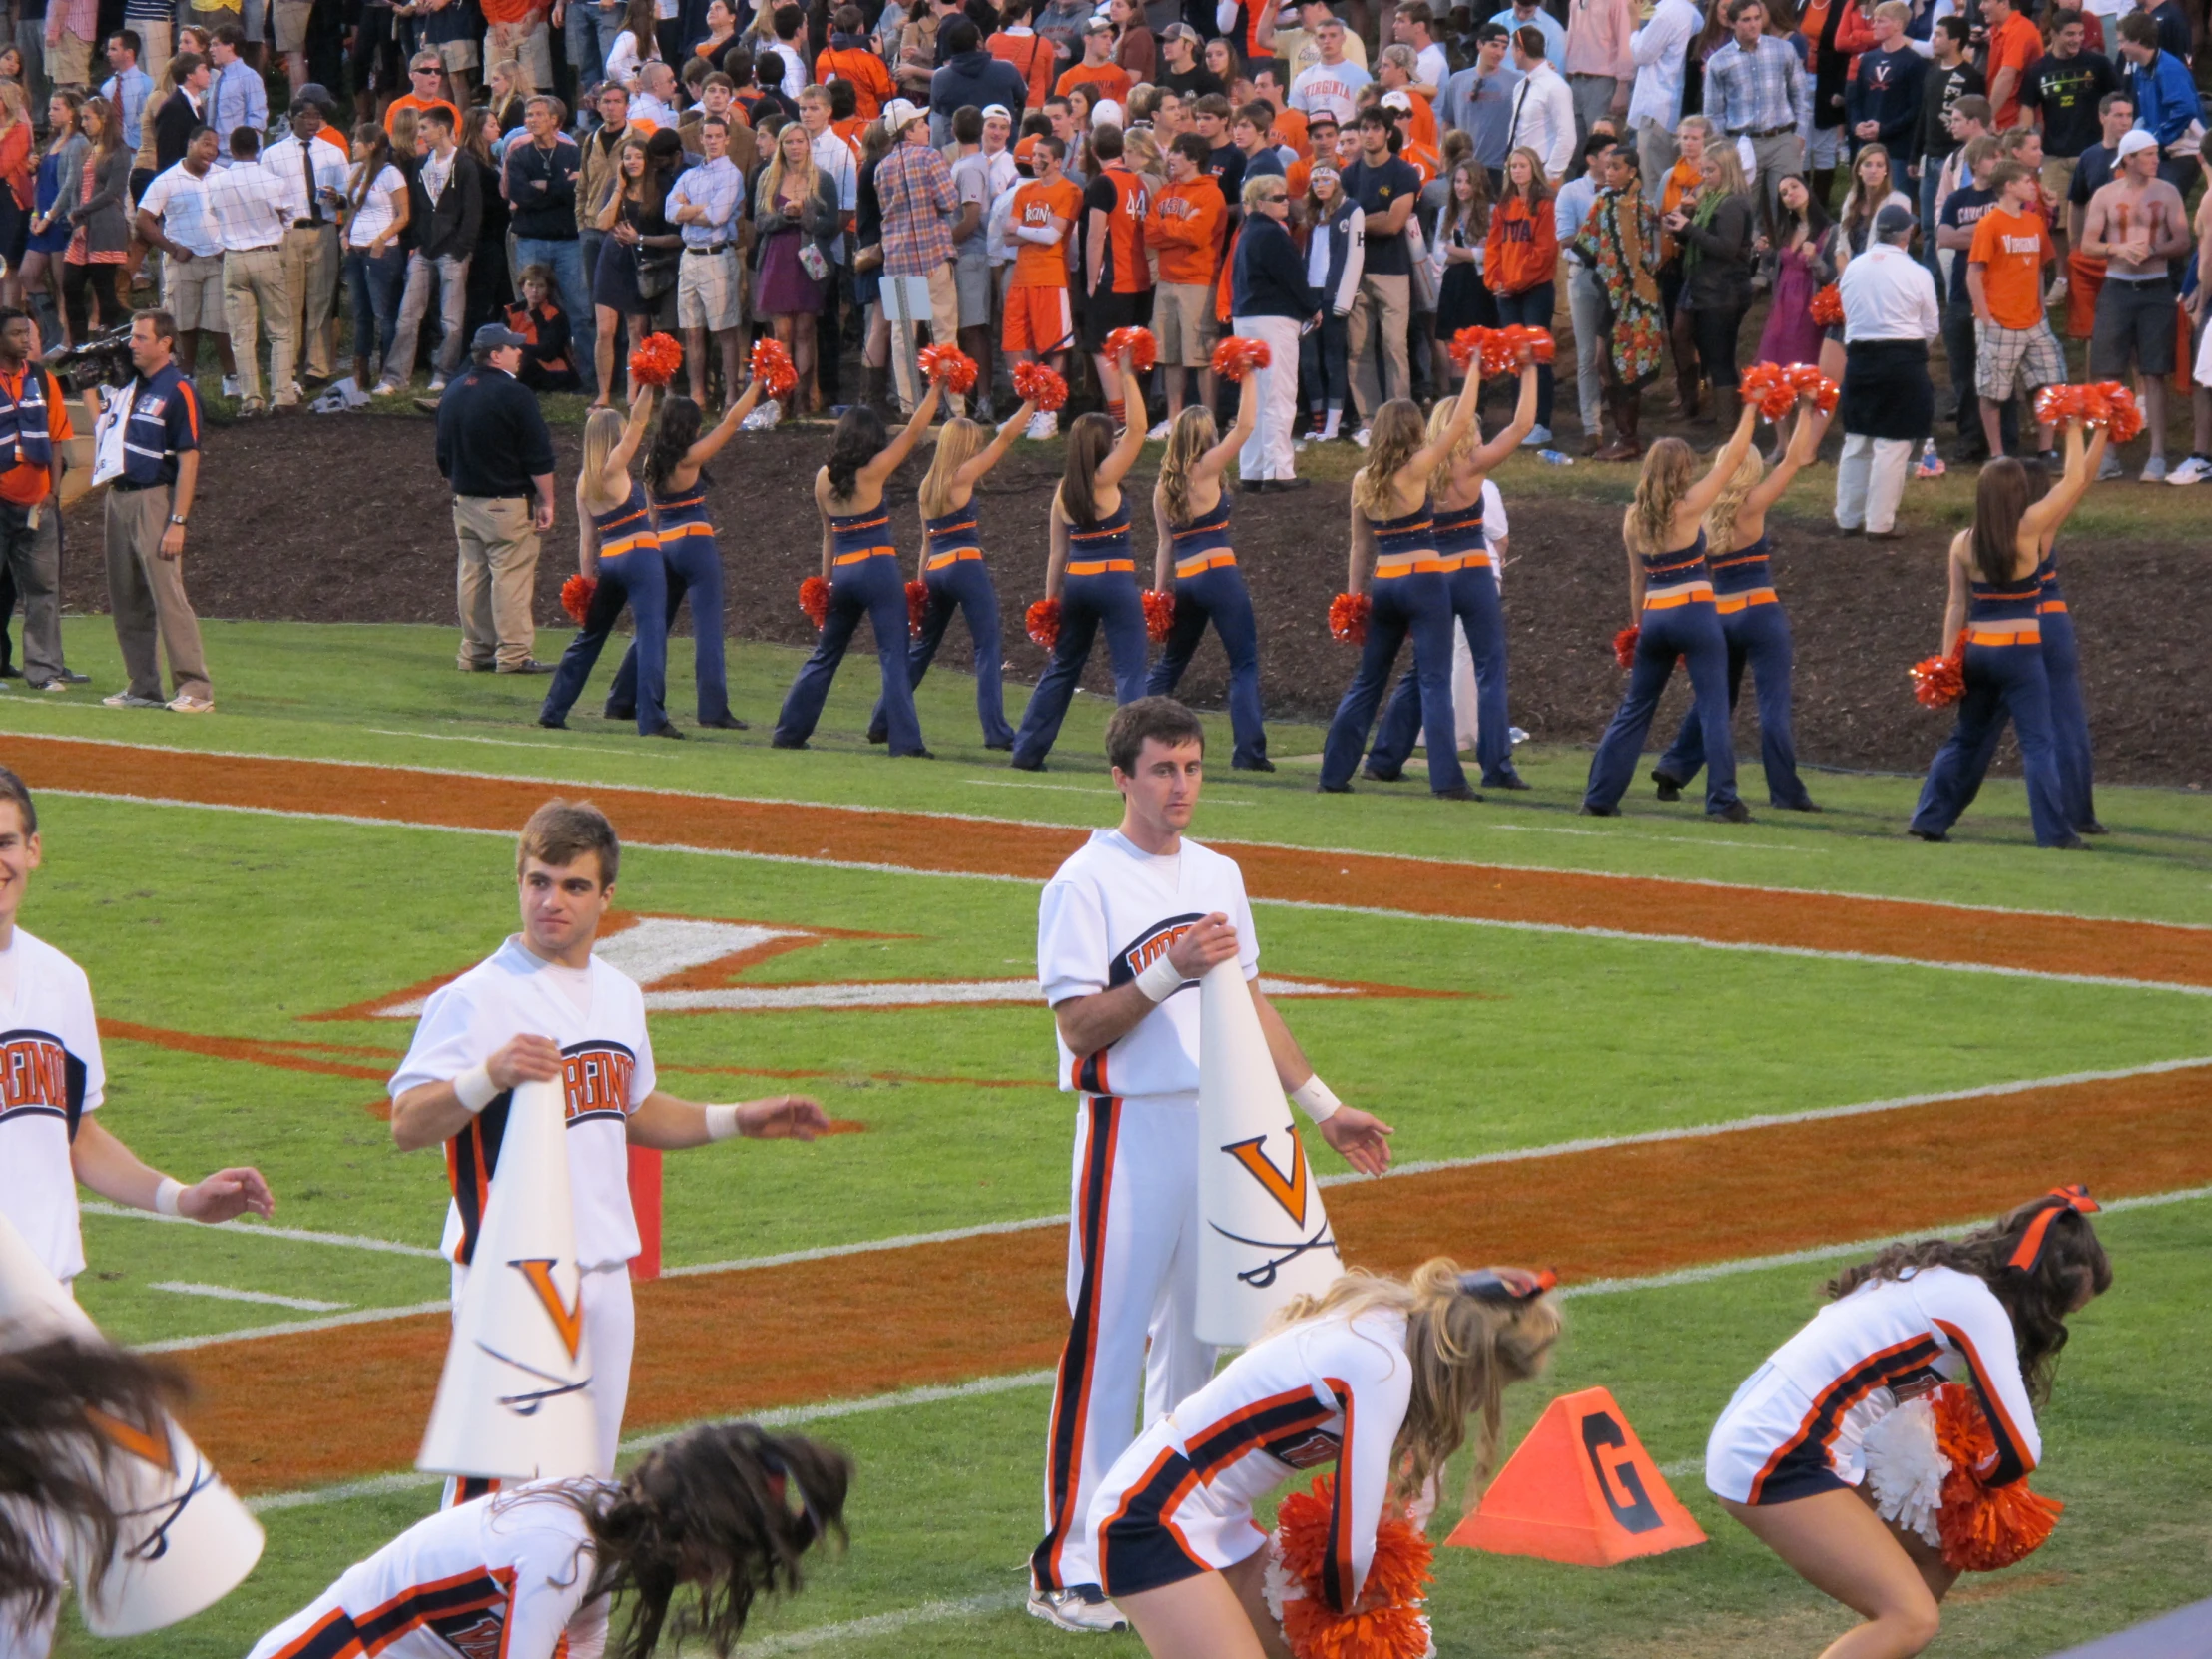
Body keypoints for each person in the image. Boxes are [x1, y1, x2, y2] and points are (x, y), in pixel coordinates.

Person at [1028, 694, 1394, 1634]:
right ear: (1121, 776)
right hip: (1128, 1128)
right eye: (1161, 769)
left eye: (1191, 767)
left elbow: (1251, 1002)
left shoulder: (1221, 872)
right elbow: (1079, 1029)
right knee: (1104, 1341)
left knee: (1197, 1347)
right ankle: (1069, 1564)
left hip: (1219, 1125)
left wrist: (1325, 1107)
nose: (1180, 785)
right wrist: (1167, 970)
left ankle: (1161, 1531)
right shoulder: (1083, 882)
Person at [388, 801, 830, 1505]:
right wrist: (486, 1076)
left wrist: (737, 1119)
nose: (551, 901)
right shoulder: (476, 998)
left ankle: (569, 1621)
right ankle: (458, 1617)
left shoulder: (620, 995)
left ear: (606, 898)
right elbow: (408, 1122)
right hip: (515, 1276)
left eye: (572, 886)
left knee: (586, 1495)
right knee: (493, 1499)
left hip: (604, 1271)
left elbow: (631, 1110)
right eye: (538, 882)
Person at [0, 764, 274, 1653]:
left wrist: (181, 1198)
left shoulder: (59, 982)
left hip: (47, 1315)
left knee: (34, 1569)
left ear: (34, 851)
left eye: (6, 842)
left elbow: (73, 1136)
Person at [1707, 1189, 2108, 1652]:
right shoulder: (1977, 1307)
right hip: (1777, 1451)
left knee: (1938, 1552)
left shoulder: (1937, 1275)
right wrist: (1974, 1482)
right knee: (1910, 1618)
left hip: (1778, 1432)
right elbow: (2019, 1452)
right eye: (2062, 1310)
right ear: (2042, 1291)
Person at [1098, 1260, 1557, 1656]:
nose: (1476, 1405)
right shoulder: (1381, 1365)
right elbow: (1349, 1550)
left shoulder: (1395, 1329)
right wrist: (1360, 1612)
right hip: (1150, 1515)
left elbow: (1416, 1492)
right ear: (1469, 1368)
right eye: (1491, 1386)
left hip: (1213, 1516)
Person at [249, 1423, 846, 1659]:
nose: (716, 1576)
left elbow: (579, 1641)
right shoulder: (563, 1550)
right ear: (684, 1521)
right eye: (720, 1553)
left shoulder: (604, 1537)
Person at [1910, 420, 2104, 847]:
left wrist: (1945, 663)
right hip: (2019, 653)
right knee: (2038, 743)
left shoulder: (1963, 541)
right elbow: (2074, 479)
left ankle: (1929, 817)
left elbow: (1956, 604)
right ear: (2018, 494)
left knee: (1965, 738)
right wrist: (2073, 426)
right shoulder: (2030, 529)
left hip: (1978, 650)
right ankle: (2054, 833)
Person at [1361, 364, 1540, 792]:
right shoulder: (1472, 465)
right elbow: (1523, 424)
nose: (1477, 437)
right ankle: (1497, 766)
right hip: (1472, 571)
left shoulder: (1420, 469)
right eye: (1474, 430)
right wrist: (1531, 367)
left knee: (1425, 670)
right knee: (1489, 668)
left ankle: (1384, 757)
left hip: (1431, 576)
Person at [1581, 400, 1762, 820]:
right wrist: (1750, 408)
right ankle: (1722, 800)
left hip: (1656, 617)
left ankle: (1599, 796)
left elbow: (1636, 581)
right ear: (1682, 472)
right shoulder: (1689, 506)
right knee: (1714, 706)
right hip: (1695, 612)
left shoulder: (1632, 519)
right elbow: (1733, 458)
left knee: (1635, 708)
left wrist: (1638, 630)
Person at [1316, 381, 1491, 799]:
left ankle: (1333, 773)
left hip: (1385, 583)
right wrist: (1473, 367)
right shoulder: (1417, 467)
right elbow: (1461, 421)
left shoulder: (1362, 479)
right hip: (1424, 581)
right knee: (1433, 680)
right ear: (1414, 431)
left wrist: (1353, 597)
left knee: (1367, 681)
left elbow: (1360, 545)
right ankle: (1448, 781)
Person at [1650, 401, 1827, 814]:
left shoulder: (1702, 510)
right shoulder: (1752, 505)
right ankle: (1785, 791)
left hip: (1718, 614)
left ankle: (1674, 766)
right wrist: (1805, 409)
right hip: (1760, 612)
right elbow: (1795, 460)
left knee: (1714, 700)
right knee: (1772, 706)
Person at [773, 383, 946, 758]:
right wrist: (938, 387)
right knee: (894, 656)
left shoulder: (822, 478)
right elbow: (915, 431)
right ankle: (905, 743)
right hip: (877, 569)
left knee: (826, 653)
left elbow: (827, 537)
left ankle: (788, 731)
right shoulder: (873, 472)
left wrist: (824, 584)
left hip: (844, 573)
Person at [862, 396, 1038, 750]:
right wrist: (1031, 404)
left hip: (936, 570)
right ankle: (995, 731)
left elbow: (927, 543)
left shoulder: (928, 486)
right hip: (965, 566)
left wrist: (920, 585)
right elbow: (1004, 440)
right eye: (973, 446)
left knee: (922, 648)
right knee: (987, 646)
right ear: (964, 448)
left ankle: (882, 719)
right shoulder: (963, 476)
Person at [1008, 355, 1154, 767]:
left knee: (1063, 666)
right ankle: (1135, 759)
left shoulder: (1063, 490)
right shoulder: (1104, 479)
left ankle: (1027, 749)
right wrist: (1127, 373)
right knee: (1129, 671)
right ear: (1102, 446)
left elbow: (1057, 553)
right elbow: (1141, 429)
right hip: (1113, 582)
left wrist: (1050, 601)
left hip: (1077, 585)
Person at [86, 312, 213, 712]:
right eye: (133, 338)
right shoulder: (130, 387)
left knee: (167, 596)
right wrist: (89, 386)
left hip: (153, 497)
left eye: (141, 338)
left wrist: (178, 520)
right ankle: (143, 685)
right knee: (126, 597)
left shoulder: (178, 389)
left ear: (165, 343)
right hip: (118, 495)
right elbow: (103, 429)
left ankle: (195, 688)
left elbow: (189, 459)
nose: (132, 345)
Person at [540, 391, 685, 738]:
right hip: (640, 556)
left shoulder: (583, 482)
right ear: (611, 437)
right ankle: (652, 720)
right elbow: (638, 423)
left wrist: (586, 582)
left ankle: (553, 708)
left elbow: (586, 539)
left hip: (610, 560)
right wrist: (648, 383)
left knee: (589, 637)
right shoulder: (614, 467)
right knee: (651, 637)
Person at [1143, 377, 1270, 768]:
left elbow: (1165, 545)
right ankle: (1248, 752)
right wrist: (1248, 374)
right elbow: (1246, 427)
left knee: (1171, 663)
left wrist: (1159, 595)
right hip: (1218, 575)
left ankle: (1130, 728)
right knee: (1243, 663)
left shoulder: (1163, 486)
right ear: (1206, 436)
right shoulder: (1207, 467)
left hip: (1186, 580)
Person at [437, 322, 558, 674]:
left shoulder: (455, 390)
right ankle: (514, 655)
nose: (520, 352)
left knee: (472, 575)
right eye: (512, 347)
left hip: (465, 501)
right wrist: (547, 501)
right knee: (511, 578)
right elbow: (539, 457)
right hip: (506, 504)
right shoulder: (516, 395)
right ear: (495, 355)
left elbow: (442, 455)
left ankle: (475, 652)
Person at [2078, 128, 2188, 481]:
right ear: (2128, 158)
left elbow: (2183, 238)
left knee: (2155, 371)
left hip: (2155, 286)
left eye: (2156, 153)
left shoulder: (2168, 192)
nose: (2156, 159)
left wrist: (2154, 249)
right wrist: (2118, 249)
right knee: (2107, 371)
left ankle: (2157, 454)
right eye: (2148, 154)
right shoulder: (2105, 195)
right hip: (2118, 286)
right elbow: (2088, 243)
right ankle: (2105, 453)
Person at [1832, 201, 1938, 537]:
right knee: (1893, 444)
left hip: (1861, 356)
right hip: (1902, 357)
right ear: (1906, 235)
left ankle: (1847, 517)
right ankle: (1879, 523)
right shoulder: (1917, 273)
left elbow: (1847, 312)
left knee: (1858, 439)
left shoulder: (1854, 268)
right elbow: (1930, 326)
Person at [380, 104, 482, 395]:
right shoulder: (420, 164)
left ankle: (444, 374)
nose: (420, 132)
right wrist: (415, 243)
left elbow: (473, 210)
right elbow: (417, 208)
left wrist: (462, 247)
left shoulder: (464, 164)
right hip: (424, 250)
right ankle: (395, 377)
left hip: (453, 251)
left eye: (425, 127)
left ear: (442, 129)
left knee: (451, 320)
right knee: (407, 316)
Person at [1572, 141, 1663, 461]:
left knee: (1623, 364)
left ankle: (1628, 438)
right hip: (1610, 295)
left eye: (1615, 167)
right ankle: (1624, 435)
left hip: (1637, 297)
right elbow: (1588, 247)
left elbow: (1653, 254)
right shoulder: (1604, 202)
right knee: (1603, 361)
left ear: (1632, 171)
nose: (1608, 172)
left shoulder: (1645, 207)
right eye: (1607, 166)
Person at [1966, 158, 2059, 467]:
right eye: (2026, 181)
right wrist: (1986, 317)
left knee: (2050, 382)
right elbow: (1974, 272)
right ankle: (1998, 454)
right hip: (1999, 318)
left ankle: (2046, 451)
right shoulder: (1989, 223)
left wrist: (2042, 309)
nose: (2033, 185)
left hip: (2033, 319)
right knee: (1993, 390)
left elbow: (2041, 269)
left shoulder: (2034, 223)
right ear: (2009, 185)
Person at [504, 96, 595, 397]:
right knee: (527, 310)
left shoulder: (573, 152)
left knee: (579, 311)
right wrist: (560, 186)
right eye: (528, 115)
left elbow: (577, 192)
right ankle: (525, 374)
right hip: (530, 239)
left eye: (538, 114)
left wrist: (543, 187)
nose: (531, 119)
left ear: (555, 120)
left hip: (568, 241)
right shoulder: (518, 154)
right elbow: (520, 195)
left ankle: (585, 377)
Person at [875, 98, 960, 415]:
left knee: (903, 335)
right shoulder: (930, 157)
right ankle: (953, 406)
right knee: (943, 332)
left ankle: (910, 406)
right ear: (908, 132)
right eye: (921, 123)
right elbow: (950, 201)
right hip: (933, 258)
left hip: (898, 260)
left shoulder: (882, 165)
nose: (927, 127)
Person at [1226, 175, 1311, 489]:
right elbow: (1293, 277)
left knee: (1252, 397)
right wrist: (1311, 307)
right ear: (1259, 203)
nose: (1285, 202)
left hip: (1246, 320)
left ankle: (1252, 470)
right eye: (1277, 198)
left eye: (1285, 196)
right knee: (1278, 395)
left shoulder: (1246, 232)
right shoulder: (1272, 233)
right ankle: (1276, 471)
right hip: (1272, 322)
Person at [0, 310, 70, 691]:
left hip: (37, 504)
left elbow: (58, 435)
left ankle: (43, 671)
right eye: (15, 334)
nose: (25, 340)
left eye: (26, 333)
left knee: (43, 590)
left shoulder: (42, 379)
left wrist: (54, 491)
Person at [1341, 107, 1419, 441]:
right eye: (1364, 128)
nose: (1368, 134)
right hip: (1355, 270)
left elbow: (1393, 222)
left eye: (1375, 128)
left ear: (1388, 133)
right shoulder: (1349, 174)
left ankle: (1400, 419)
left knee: (1394, 345)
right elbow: (1335, 217)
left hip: (1392, 269)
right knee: (1357, 347)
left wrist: (1355, 220)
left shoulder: (1403, 172)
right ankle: (1368, 420)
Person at [1665, 139, 1756, 429]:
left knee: (1720, 356)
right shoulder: (1711, 197)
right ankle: (1715, 413)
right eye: (1702, 170)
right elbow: (1701, 240)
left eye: (1710, 170)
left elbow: (1727, 249)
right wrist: (1683, 226)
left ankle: (1729, 427)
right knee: (1706, 350)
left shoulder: (1732, 203)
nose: (1704, 176)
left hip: (1723, 290)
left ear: (1727, 169)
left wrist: (1689, 228)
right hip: (1706, 287)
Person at [206, 127, 296, 414]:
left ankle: (251, 399)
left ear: (230, 149)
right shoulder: (273, 181)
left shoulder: (217, 182)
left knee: (241, 333)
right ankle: (282, 395)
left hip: (233, 257)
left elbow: (208, 219)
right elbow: (290, 216)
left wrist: (222, 245)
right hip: (266, 255)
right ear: (257, 148)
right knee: (280, 328)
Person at [264, 93, 347, 389]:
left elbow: (346, 193)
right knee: (290, 301)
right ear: (292, 117)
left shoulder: (333, 152)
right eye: (306, 116)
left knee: (321, 301)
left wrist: (337, 197)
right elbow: (267, 197)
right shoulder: (274, 154)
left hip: (323, 229)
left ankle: (318, 367)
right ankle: (288, 365)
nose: (312, 122)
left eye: (317, 117)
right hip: (290, 232)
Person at [1702, 0, 1810, 233]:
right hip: (1742, 141)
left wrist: (1799, 134)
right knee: (1743, 209)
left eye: (1756, 18)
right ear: (1732, 23)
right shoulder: (1719, 61)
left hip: (1781, 137)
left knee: (1788, 205)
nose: (1753, 25)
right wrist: (1725, 149)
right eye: (1746, 20)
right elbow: (1713, 112)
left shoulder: (1783, 50)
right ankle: (1747, 263)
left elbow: (1800, 94)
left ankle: (1786, 263)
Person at [1143, 133, 1225, 433]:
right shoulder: (1165, 192)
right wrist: (1177, 225)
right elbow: (1149, 233)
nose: (1171, 157)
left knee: (1201, 355)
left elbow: (1197, 235)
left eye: (1177, 152)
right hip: (1166, 280)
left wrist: (1169, 228)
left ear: (1193, 158)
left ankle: (1207, 421)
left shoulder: (1209, 193)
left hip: (1198, 282)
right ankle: (1174, 419)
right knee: (1170, 354)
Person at [589, 136, 670, 406]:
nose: (632, 162)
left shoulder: (658, 188)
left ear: (646, 160)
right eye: (627, 157)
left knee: (636, 329)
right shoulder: (616, 185)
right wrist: (618, 189)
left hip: (641, 262)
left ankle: (632, 392)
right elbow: (602, 223)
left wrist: (639, 236)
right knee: (604, 332)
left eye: (637, 156)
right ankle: (603, 393)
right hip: (612, 260)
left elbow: (664, 228)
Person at [1483, 145, 1554, 435]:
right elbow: (1493, 247)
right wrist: (1494, 281)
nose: (1517, 171)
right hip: (1507, 293)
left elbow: (1545, 251)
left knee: (1536, 354)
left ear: (1534, 168)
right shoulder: (1503, 206)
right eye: (1513, 166)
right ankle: (1519, 421)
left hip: (1535, 289)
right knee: (1514, 356)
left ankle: (1541, 423)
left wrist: (1513, 283)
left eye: (1523, 165)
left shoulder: (1546, 204)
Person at [339, 122, 409, 394]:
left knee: (385, 313)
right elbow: (356, 207)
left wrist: (381, 239)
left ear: (371, 145)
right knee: (361, 313)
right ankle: (361, 369)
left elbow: (404, 215)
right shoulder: (357, 172)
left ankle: (389, 372)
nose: (352, 145)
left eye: (357, 140)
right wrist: (346, 231)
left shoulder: (391, 174)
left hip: (381, 250)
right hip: (356, 249)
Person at [1296, 164, 1362, 444]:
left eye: (1325, 179)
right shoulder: (1313, 215)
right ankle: (1318, 420)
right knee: (1309, 361)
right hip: (1310, 292)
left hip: (1333, 294)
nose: (1320, 185)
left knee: (1333, 359)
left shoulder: (1351, 210)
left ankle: (1334, 424)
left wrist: (1343, 299)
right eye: (1315, 181)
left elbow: (1354, 256)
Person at [1913, 18, 1981, 277]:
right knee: (1929, 224)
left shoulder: (1971, 77)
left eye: (1939, 35)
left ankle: (1956, 274)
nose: (1933, 40)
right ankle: (1931, 277)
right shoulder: (1931, 72)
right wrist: (1915, 153)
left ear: (1955, 41)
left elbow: (1975, 120)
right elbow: (1924, 114)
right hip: (1929, 157)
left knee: (1954, 220)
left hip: (1955, 160)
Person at [1555, 130, 1611, 452]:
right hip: (1585, 276)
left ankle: (1623, 424)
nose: (1613, 160)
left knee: (1616, 352)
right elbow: (1564, 237)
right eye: (1608, 153)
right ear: (1591, 159)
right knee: (1588, 354)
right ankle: (1593, 429)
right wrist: (1609, 237)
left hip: (1619, 280)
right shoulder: (1572, 192)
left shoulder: (1626, 191)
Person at [2112, 13, 2201, 195]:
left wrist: (2156, 138)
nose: (2120, 48)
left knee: (2161, 198)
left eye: (2122, 41)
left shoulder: (2168, 69)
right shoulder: (2142, 70)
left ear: (2137, 40)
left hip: (2183, 151)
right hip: (2161, 150)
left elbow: (2186, 109)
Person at [1627, 0, 1699, 188]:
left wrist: (1634, 21)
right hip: (1675, 109)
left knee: (1656, 185)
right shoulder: (1694, 13)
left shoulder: (1670, 10)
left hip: (1658, 110)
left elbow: (1640, 54)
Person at [1979, 0, 2042, 132]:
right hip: (2003, 119)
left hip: (2016, 125)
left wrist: (1987, 117)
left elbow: (2007, 75)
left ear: (2004, 4)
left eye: (1986, 1)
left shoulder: (2020, 29)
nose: (1980, 7)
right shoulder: (1998, 29)